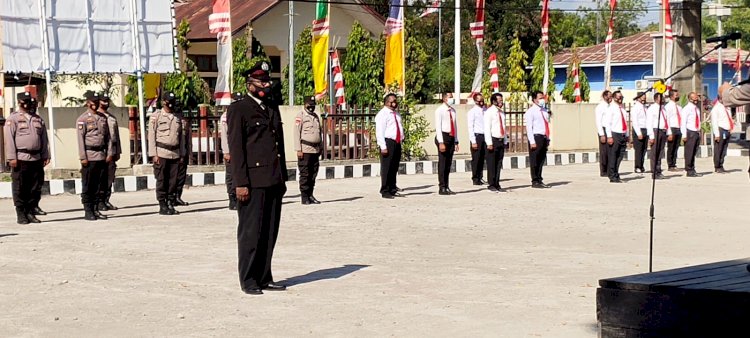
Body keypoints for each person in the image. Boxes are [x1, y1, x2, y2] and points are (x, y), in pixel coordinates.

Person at [228, 60, 289, 295]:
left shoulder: (271, 107)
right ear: (249, 83)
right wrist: (240, 183)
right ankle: (249, 279)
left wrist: (282, 177)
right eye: (261, 81)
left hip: (273, 179)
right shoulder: (239, 109)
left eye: (267, 80)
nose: (265, 85)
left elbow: (279, 145)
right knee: (251, 232)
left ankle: (265, 276)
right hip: (252, 182)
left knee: (269, 232)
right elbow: (237, 150)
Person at [4, 92, 50, 224]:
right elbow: (9, 139)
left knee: (34, 187)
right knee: (20, 187)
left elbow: (44, 139)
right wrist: (11, 157)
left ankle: (30, 211)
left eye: (29, 101)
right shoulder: (13, 119)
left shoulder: (37, 119)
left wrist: (45, 155)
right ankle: (21, 213)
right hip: (20, 157)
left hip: (36, 158)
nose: (27, 104)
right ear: (19, 102)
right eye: (24, 101)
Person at [148, 92, 186, 216]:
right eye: (169, 100)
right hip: (161, 152)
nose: (171, 103)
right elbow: (151, 136)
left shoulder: (177, 117)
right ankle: (162, 205)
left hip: (175, 153)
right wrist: (154, 154)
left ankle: (170, 202)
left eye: (173, 100)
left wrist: (182, 154)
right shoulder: (156, 116)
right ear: (164, 101)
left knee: (173, 181)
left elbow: (181, 137)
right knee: (162, 180)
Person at [76, 91, 112, 221]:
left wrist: (109, 153)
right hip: (89, 156)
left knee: (99, 185)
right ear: (88, 103)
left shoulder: (103, 118)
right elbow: (80, 139)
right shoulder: (83, 119)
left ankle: (96, 208)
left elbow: (107, 138)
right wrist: (83, 157)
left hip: (101, 155)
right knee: (88, 185)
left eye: (97, 102)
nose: (95, 105)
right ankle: (88, 210)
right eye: (93, 103)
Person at [294, 96, 323, 204]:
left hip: (315, 149)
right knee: (305, 174)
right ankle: (304, 196)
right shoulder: (300, 116)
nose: (311, 107)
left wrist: (321, 147)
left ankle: (311, 194)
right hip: (305, 149)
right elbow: (296, 133)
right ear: (305, 104)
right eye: (309, 105)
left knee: (313, 173)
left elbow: (319, 133)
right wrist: (298, 149)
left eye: (313, 105)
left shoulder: (315, 116)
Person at [375, 93, 404, 199]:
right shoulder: (382, 114)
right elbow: (380, 131)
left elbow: (399, 127)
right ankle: (385, 190)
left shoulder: (396, 114)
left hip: (397, 142)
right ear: (386, 102)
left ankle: (392, 188)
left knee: (394, 167)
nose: (394, 103)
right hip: (388, 142)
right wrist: (383, 146)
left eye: (395, 101)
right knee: (386, 167)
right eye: (392, 101)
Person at [97, 93, 121, 211]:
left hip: (112, 152)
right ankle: (99, 201)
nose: (106, 103)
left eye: (107, 101)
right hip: (101, 152)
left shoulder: (112, 118)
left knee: (109, 178)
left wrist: (118, 152)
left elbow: (116, 136)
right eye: (103, 101)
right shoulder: (96, 116)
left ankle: (106, 200)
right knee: (100, 178)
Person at [220, 93, 243, 210]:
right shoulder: (226, 116)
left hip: (243, 151)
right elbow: (224, 136)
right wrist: (226, 152)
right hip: (231, 150)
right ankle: (232, 198)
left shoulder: (245, 114)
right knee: (231, 175)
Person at [434, 92, 459, 195]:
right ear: (444, 99)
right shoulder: (439, 110)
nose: (451, 99)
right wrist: (441, 142)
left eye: (452, 97)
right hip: (443, 137)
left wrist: (456, 140)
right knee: (443, 163)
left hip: (451, 137)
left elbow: (455, 126)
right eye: (450, 97)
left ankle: (447, 186)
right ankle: (442, 186)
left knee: (448, 163)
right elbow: (438, 127)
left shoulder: (453, 111)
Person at [525, 91, 551, 188]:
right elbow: (529, 128)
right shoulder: (530, 112)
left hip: (543, 137)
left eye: (543, 97)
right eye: (540, 98)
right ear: (534, 99)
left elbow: (546, 124)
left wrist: (548, 138)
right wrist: (532, 141)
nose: (542, 99)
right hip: (536, 137)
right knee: (534, 160)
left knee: (541, 159)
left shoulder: (544, 110)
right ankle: (535, 180)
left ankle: (539, 178)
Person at [483, 93, 508, 192]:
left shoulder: (501, 113)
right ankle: (491, 183)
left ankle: (497, 182)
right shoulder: (489, 112)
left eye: (502, 100)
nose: (501, 102)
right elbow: (487, 128)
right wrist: (489, 142)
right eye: (499, 100)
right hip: (493, 140)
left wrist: (505, 140)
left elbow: (504, 127)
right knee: (491, 163)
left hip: (500, 140)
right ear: (494, 101)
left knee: (499, 163)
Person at [604, 91, 628, 183]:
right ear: (614, 98)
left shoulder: (622, 109)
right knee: (613, 155)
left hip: (622, 134)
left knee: (620, 155)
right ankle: (612, 175)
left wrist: (627, 135)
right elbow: (607, 124)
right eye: (619, 97)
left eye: (622, 97)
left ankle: (616, 173)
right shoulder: (611, 108)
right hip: (615, 134)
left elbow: (625, 122)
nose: (621, 99)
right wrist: (609, 136)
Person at [646, 92, 671, 179]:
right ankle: (654, 172)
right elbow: (649, 123)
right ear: (656, 99)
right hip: (655, 131)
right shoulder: (652, 109)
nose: (663, 99)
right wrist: (651, 136)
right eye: (661, 98)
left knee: (660, 152)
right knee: (654, 153)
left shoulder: (663, 108)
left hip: (663, 131)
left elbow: (667, 121)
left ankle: (659, 170)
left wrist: (668, 132)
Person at [710, 92, 734, 173]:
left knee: (724, 149)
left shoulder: (726, 107)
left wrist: (730, 128)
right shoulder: (716, 108)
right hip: (720, 130)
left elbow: (729, 118)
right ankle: (717, 166)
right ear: (720, 98)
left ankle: (721, 164)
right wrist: (716, 134)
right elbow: (714, 122)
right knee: (719, 149)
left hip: (727, 130)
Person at [680, 92, 702, 177]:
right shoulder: (686, 109)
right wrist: (684, 135)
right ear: (690, 99)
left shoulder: (696, 109)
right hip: (690, 132)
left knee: (693, 152)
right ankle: (689, 170)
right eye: (694, 98)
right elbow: (683, 123)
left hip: (696, 132)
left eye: (697, 98)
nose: (696, 100)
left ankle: (692, 168)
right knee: (689, 152)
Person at [467, 93, 487, 185]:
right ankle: (475, 178)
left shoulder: (485, 110)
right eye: (479, 100)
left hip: (485, 136)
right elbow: (470, 127)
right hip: (477, 136)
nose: (482, 102)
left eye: (482, 100)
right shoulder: (472, 112)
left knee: (483, 158)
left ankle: (480, 176)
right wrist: (473, 141)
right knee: (476, 158)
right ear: (475, 101)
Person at [174, 105, 191, 207]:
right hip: (175, 153)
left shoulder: (184, 123)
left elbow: (186, 140)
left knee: (181, 176)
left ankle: (177, 197)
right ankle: (171, 198)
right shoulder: (174, 123)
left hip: (183, 153)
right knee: (174, 177)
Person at [595, 91, 612, 177]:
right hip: (603, 129)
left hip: (610, 129)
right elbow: (598, 121)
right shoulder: (600, 107)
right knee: (604, 152)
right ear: (605, 96)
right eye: (609, 96)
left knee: (610, 151)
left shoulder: (611, 106)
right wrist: (601, 134)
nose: (611, 98)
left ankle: (610, 169)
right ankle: (603, 170)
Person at [664, 89, 683, 171]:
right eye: (676, 95)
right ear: (671, 96)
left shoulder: (679, 107)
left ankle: (674, 163)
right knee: (671, 147)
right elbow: (667, 120)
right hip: (672, 128)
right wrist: (669, 132)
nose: (678, 96)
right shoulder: (668, 107)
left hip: (678, 128)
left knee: (676, 148)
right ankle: (670, 165)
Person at [630, 93, 649, 173]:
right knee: (638, 150)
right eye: (642, 98)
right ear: (638, 98)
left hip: (645, 129)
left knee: (644, 149)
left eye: (644, 98)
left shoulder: (645, 107)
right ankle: (637, 166)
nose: (644, 99)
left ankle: (641, 165)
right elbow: (635, 122)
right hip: (639, 129)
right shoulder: (635, 108)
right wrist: (639, 133)